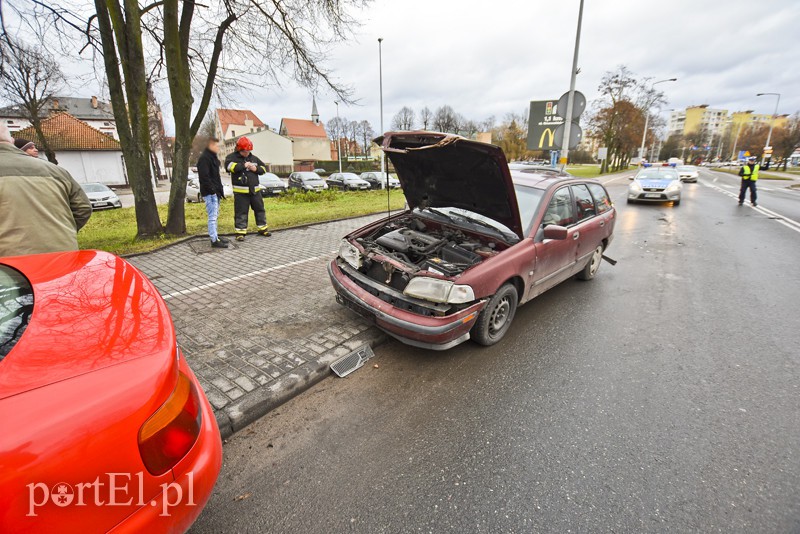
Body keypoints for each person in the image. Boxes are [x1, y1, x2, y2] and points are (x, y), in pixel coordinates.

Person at [0, 122, 92, 256]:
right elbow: (83, 207)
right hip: (63, 254)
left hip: (10, 266)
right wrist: (62, 232)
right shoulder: (56, 170)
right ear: (12, 141)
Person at [224, 136, 271, 241]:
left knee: (260, 210)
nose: (247, 153)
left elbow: (264, 169)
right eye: (245, 151)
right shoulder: (232, 158)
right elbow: (229, 167)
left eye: (249, 151)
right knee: (241, 212)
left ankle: (263, 229)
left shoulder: (254, 158)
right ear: (239, 149)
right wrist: (243, 165)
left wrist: (256, 169)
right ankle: (240, 233)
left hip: (255, 191)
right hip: (241, 193)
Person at [196, 137, 229, 249]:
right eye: (216, 145)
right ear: (209, 145)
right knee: (212, 217)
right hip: (211, 194)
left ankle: (216, 237)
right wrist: (213, 191)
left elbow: (215, 176)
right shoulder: (205, 159)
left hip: (215, 192)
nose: (218, 147)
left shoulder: (212, 158)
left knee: (215, 216)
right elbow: (204, 177)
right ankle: (214, 240)